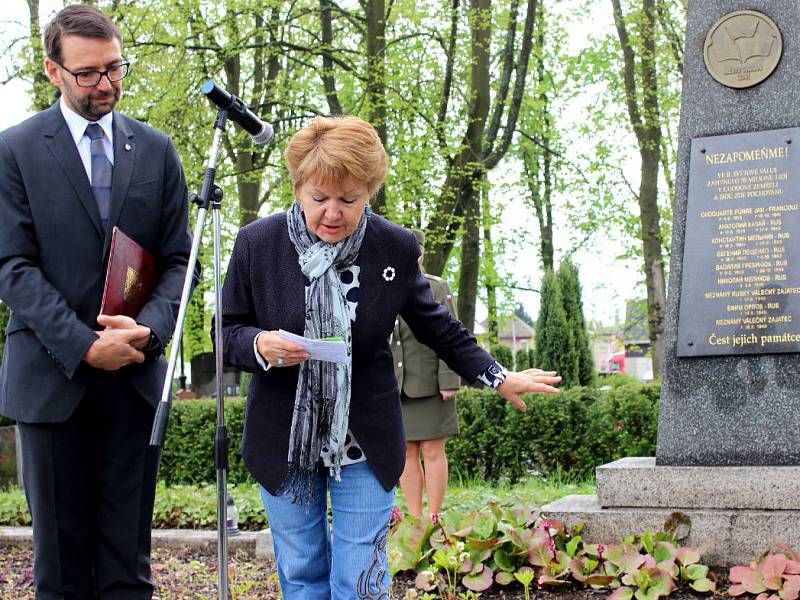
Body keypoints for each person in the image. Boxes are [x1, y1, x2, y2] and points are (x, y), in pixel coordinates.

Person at [220, 114, 560, 600]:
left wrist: (497, 376)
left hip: (366, 437)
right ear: (298, 188)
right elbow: (227, 330)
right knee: (301, 572)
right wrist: (259, 345)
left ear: (370, 191)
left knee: (361, 579)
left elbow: (438, 327)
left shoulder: (393, 247)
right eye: (319, 198)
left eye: (349, 199)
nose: (333, 213)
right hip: (284, 437)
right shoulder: (258, 243)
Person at [0, 5, 191, 598]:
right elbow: (12, 265)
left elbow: (180, 261)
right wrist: (84, 346)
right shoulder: (14, 150)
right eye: (88, 73)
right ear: (53, 71)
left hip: (134, 379)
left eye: (115, 68)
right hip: (51, 381)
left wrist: (148, 334)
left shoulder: (156, 151)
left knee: (127, 567)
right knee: (59, 567)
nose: (105, 84)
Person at [393, 229, 460, 521]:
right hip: (397, 388)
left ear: (420, 252)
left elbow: (452, 336)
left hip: (432, 385)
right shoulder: (385, 287)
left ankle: (434, 517)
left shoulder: (436, 287)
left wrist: (449, 380)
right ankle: (416, 518)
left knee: (433, 450)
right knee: (405, 452)